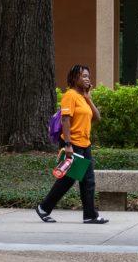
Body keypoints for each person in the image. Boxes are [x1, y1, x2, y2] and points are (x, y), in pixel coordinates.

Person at [36, 64, 108, 224]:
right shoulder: (69, 95)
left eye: (88, 76)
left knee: (87, 180)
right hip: (72, 143)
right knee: (69, 179)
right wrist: (67, 144)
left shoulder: (83, 97)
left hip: (84, 144)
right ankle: (44, 208)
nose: (87, 78)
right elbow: (65, 120)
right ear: (75, 78)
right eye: (83, 76)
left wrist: (89, 98)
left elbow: (97, 118)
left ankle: (89, 215)